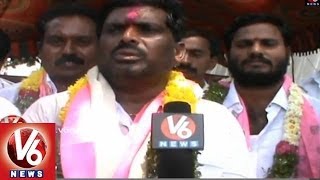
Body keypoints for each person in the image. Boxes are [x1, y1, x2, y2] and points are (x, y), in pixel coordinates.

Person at [23, 0, 254, 178]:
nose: (128, 37)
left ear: (177, 51)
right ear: (99, 43)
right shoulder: (44, 112)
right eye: (115, 29)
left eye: (146, 29)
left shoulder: (215, 119)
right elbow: (18, 175)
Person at [222, 13, 320, 178]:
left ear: (288, 53)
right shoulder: (201, 111)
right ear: (227, 55)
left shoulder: (317, 112)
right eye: (244, 44)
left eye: (268, 44)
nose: (256, 51)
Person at [0, 3, 99, 113]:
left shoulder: (116, 101)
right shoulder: (6, 101)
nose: (68, 50)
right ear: (39, 49)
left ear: (101, 49)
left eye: (82, 41)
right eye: (57, 41)